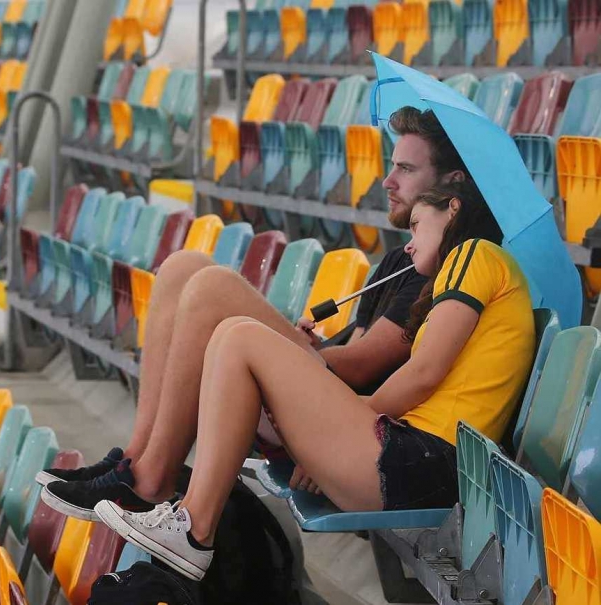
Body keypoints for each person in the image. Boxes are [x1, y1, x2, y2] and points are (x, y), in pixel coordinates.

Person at [93, 180, 536, 582]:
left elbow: (423, 374)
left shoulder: (474, 253)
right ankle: (190, 521)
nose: (408, 244)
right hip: (420, 459)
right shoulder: (477, 268)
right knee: (234, 334)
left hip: (422, 461)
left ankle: (193, 528)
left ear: (453, 209)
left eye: (417, 225)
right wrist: (327, 426)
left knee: (242, 336)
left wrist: (340, 426)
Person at [36, 107, 469, 517]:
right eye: (392, 166)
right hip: (322, 403)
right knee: (181, 268)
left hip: (340, 431)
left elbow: (360, 366)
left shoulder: (444, 267)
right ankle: (134, 459)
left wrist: (286, 347)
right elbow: (350, 351)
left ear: (451, 184)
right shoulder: (399, 261)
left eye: (407, 170)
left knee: (214, 287)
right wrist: (307, 345)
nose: (388, 181)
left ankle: (152, 480)